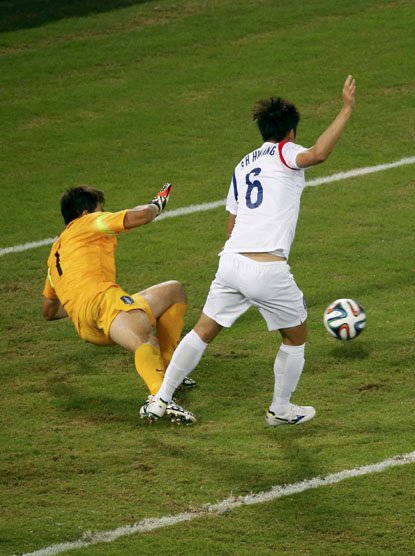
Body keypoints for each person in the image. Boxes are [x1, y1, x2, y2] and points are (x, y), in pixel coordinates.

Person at [141, 75, 357, 426]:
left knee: (203, 330)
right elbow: (318, 153)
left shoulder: (242, 165)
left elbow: (232, 221)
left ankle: (161, 398)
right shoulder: (287, 152)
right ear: (291, 132)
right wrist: (346, 109)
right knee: (296, 334)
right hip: (266, 267)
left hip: (231, 261)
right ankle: (281, 410)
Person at [42, 183, 195, 423]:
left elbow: (49, 311)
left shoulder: (55, 256)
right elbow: (141, 215)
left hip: (86, 324)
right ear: (85, 213)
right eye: (101, 209)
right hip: (103, 302)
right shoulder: (87, 223)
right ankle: (160, 397)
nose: (104, 213)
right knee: (145, 340)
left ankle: (168, 371)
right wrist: (157, 204)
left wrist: (78, 304)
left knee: (173, 291)